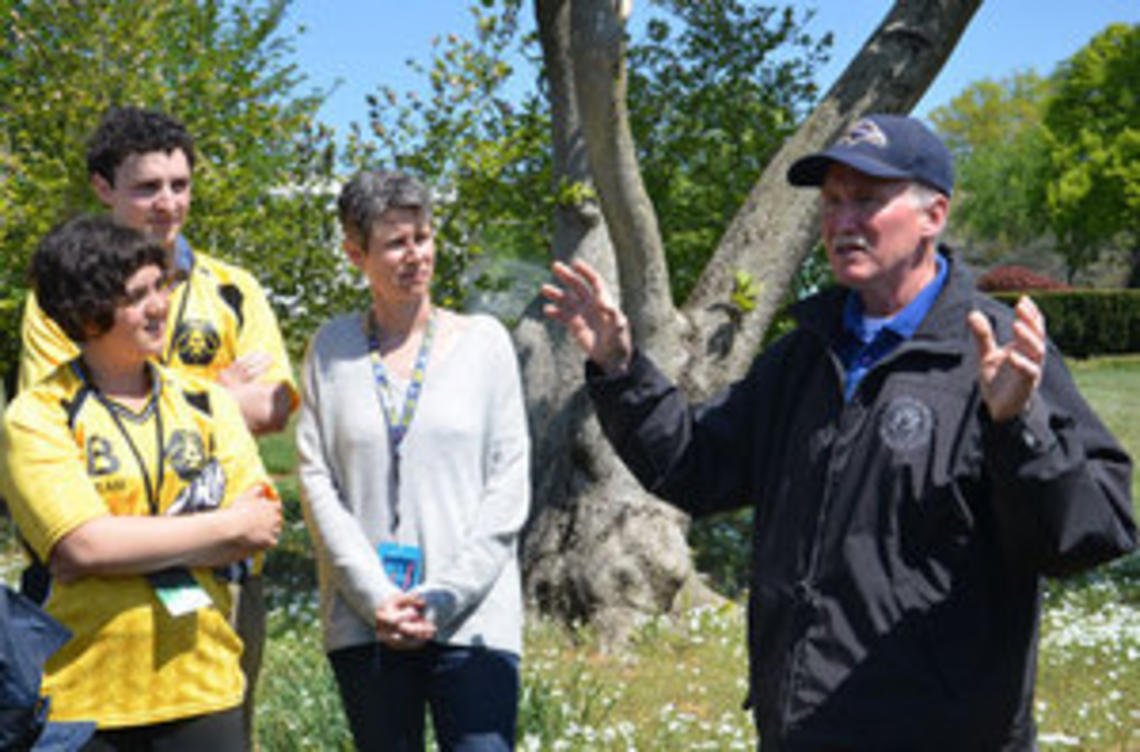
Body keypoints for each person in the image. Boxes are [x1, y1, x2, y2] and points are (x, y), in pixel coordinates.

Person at [541, 114, 1137, 750]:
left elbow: (1089, 533)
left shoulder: (996, 355)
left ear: (934, 214)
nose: (842, 221)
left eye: (867, 200)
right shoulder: (804, 358)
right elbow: (696, 463)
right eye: (831, 202)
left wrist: (1018, 426)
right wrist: (620, 368)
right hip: (804, 728)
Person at [15, 106, 297, 740]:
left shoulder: (234, 289)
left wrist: (206, 403)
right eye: (147, 186)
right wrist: (217, 399)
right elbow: (74, 509)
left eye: (180, 184)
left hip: (213, 607)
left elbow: (271, 410)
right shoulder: (54, 303)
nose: (168, 203)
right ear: (103, 188)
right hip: (87, 643)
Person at [297, 170, 530, 751]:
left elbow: (508, 485)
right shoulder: (330, 348)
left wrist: (443, 595)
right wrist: (378, 598)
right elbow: (317, 482)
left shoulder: (485, 343)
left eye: (423, 237)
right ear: (356, 253)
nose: (415, 256)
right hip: (366, 622)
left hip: (474, 622)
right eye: (396, 243)